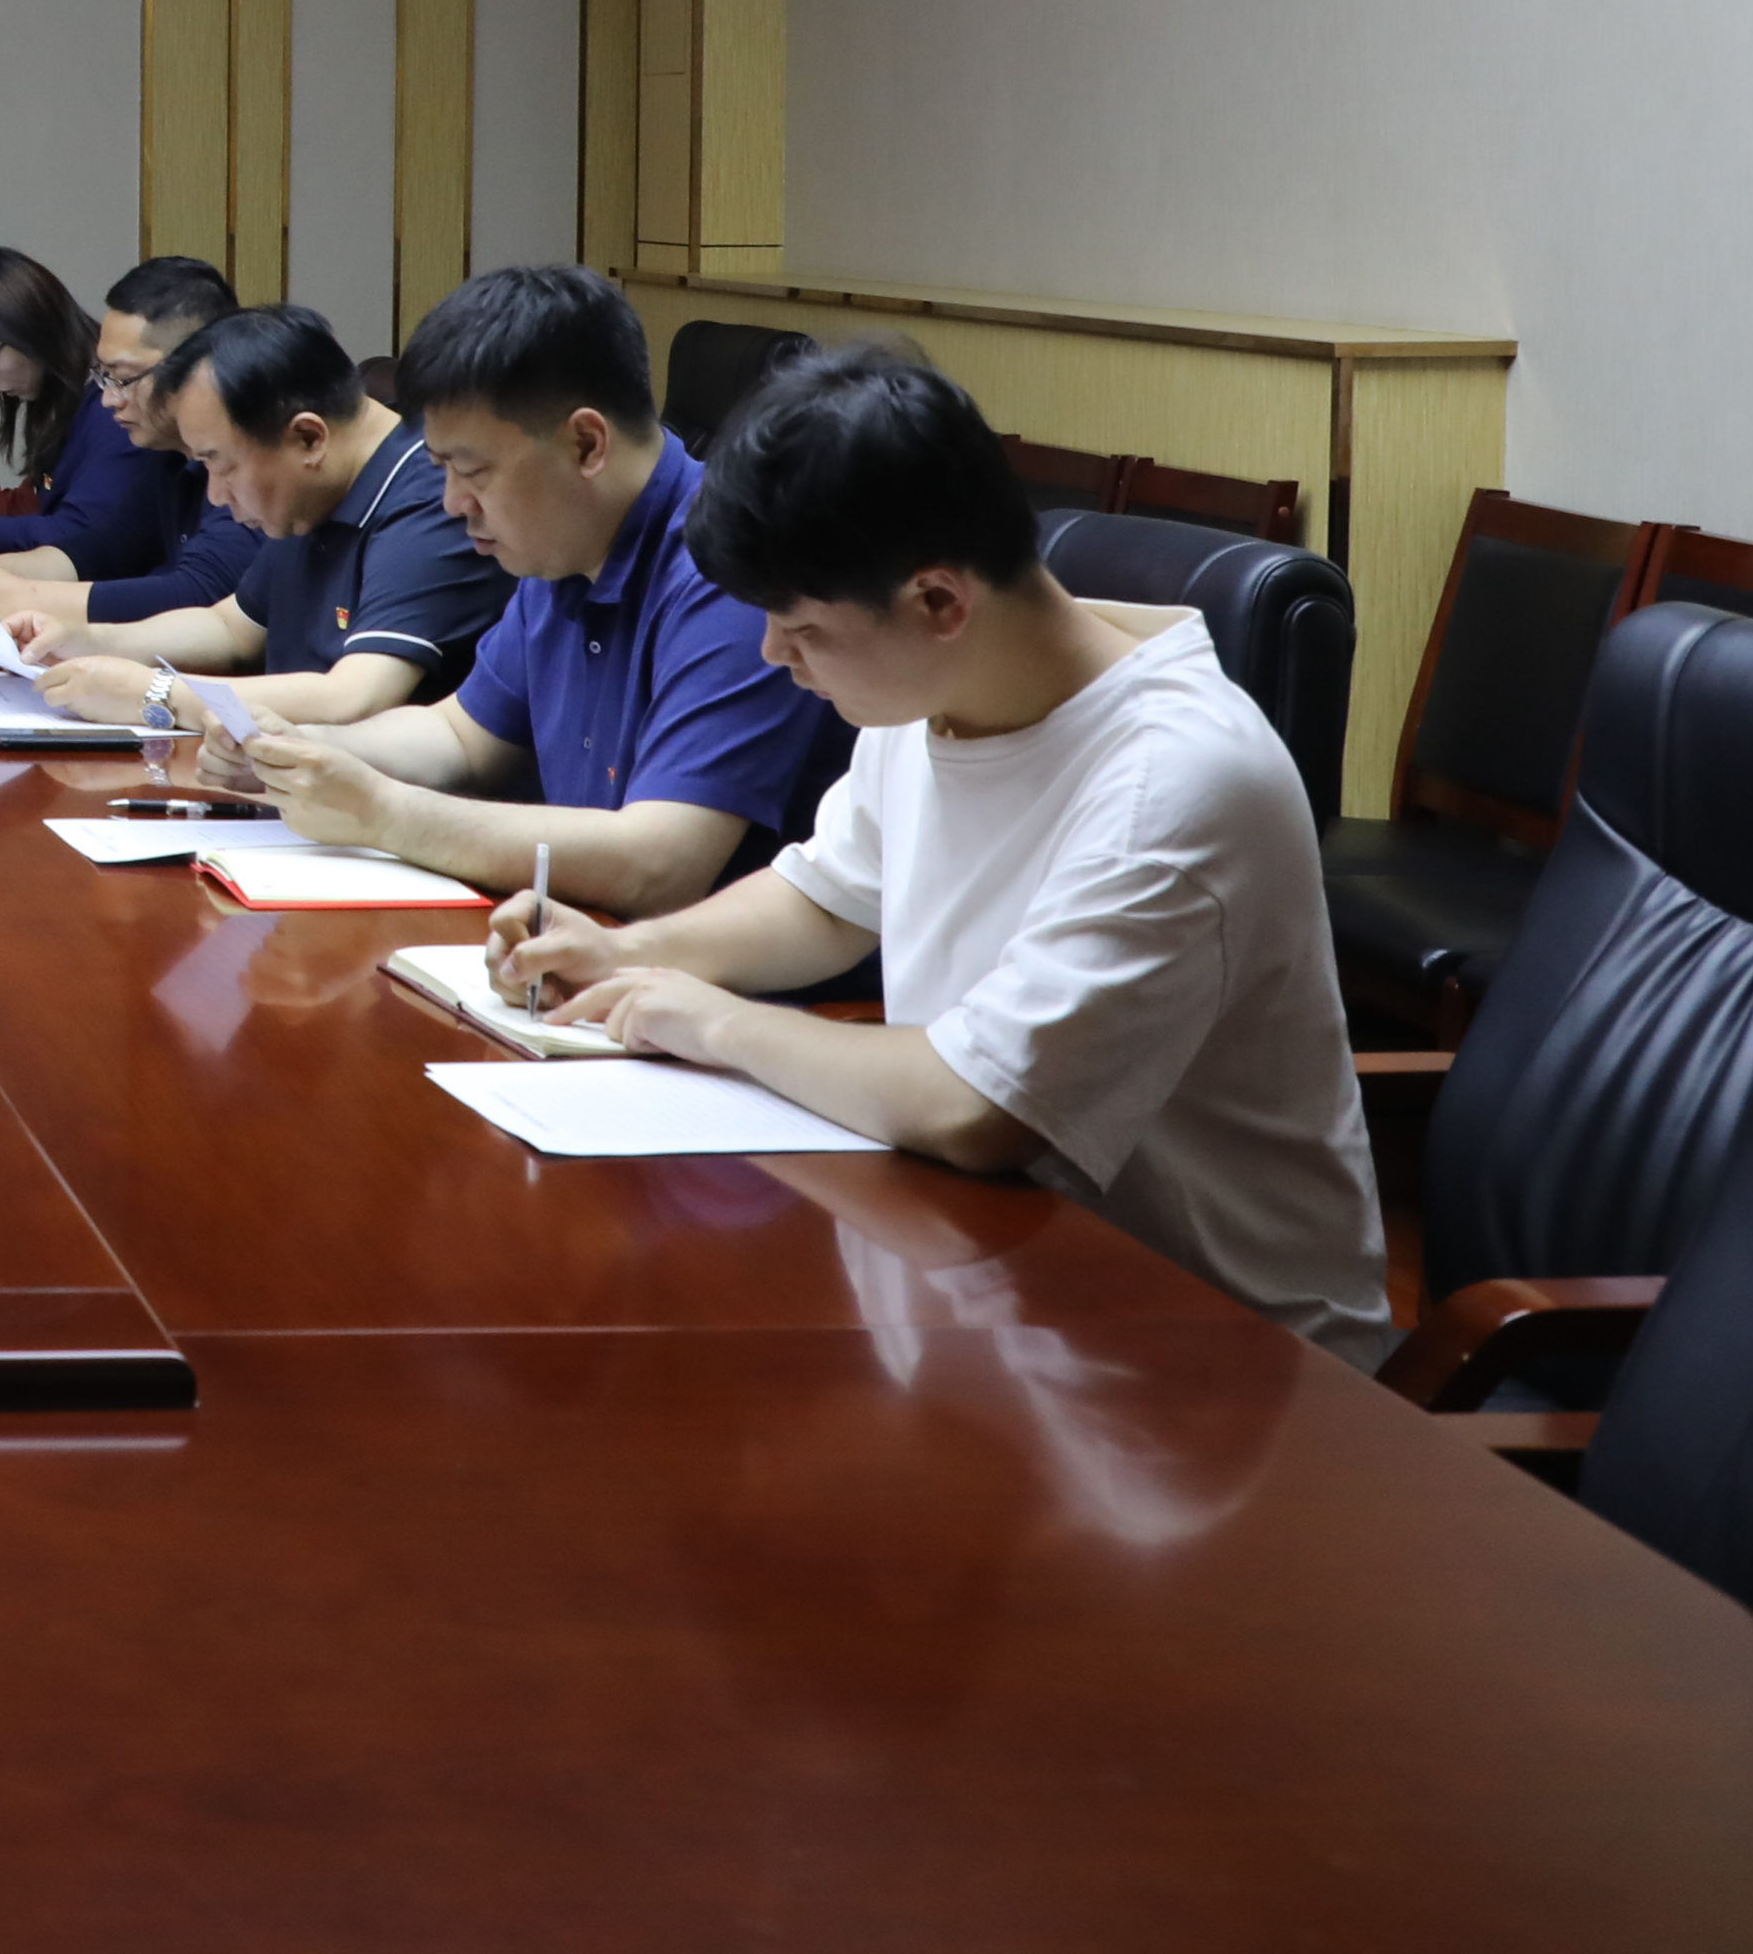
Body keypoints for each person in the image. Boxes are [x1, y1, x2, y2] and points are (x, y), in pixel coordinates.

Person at [496, 346, 1391, 1364]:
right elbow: (827, 899)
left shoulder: (1176, 777)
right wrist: (631, 951)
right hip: (999, 1284)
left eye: (801, 628)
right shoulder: (932, 690)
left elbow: (981, 1105)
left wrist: (711, 1019)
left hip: (1217, 1368)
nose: (773, 659)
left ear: (937, 600)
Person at [193, 263, 849, 912]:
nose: (453, 503)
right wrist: (301, 750)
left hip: (750, 998)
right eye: (441, 469)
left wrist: (383, 814)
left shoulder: (731, 569)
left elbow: (661, 863)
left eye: (472, 471)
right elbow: (457, 739)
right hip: (590, 964)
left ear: (587, 444)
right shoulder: (560, 551)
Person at [16, 302, 503, 731]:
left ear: (308, 438)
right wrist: (87, 640)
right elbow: (230, 627)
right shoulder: (311, 494)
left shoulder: (432, 501)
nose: (216, 492)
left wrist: (156, 693)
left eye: (221, 464)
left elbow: (354, 697)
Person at [0, 257, 239, 624]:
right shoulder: (166, 455)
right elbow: (103, 549)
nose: (108, 399)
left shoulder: (249, 464)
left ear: (196, 368)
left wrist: (23, 596)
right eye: (105, 377)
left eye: (124, 378)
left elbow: (198, 594)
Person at [0, 247, 173, 578]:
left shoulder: (113, 411)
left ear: (30, 334)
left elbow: (78, 536)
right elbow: (32, 506)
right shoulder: (64, 396)